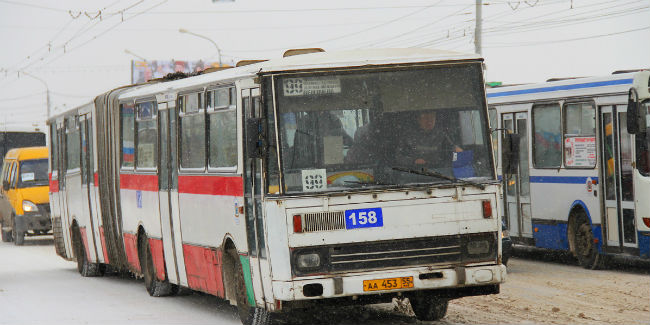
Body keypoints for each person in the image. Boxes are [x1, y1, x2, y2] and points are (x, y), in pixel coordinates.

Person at [395, 111, 462, 168]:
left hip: (439, 173)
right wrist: (413, 161)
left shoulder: (441, 134)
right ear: (419, 120)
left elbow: (452, 149)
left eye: (432, 118)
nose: (429, 121)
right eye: (426, 118)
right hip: (413, 173)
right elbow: (398, 157)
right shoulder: (408, 136)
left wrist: (456, 149)